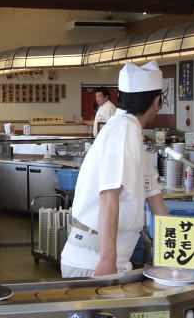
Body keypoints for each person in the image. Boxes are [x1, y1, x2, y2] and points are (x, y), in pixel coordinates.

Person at [60, 61, 169, 278]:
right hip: (94, 262)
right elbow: (108, 196)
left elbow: (154, 194)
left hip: (113, 259)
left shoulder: (131, 131)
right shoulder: (123, 129)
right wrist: (107, 261)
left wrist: (174, 256)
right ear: (157, 101)